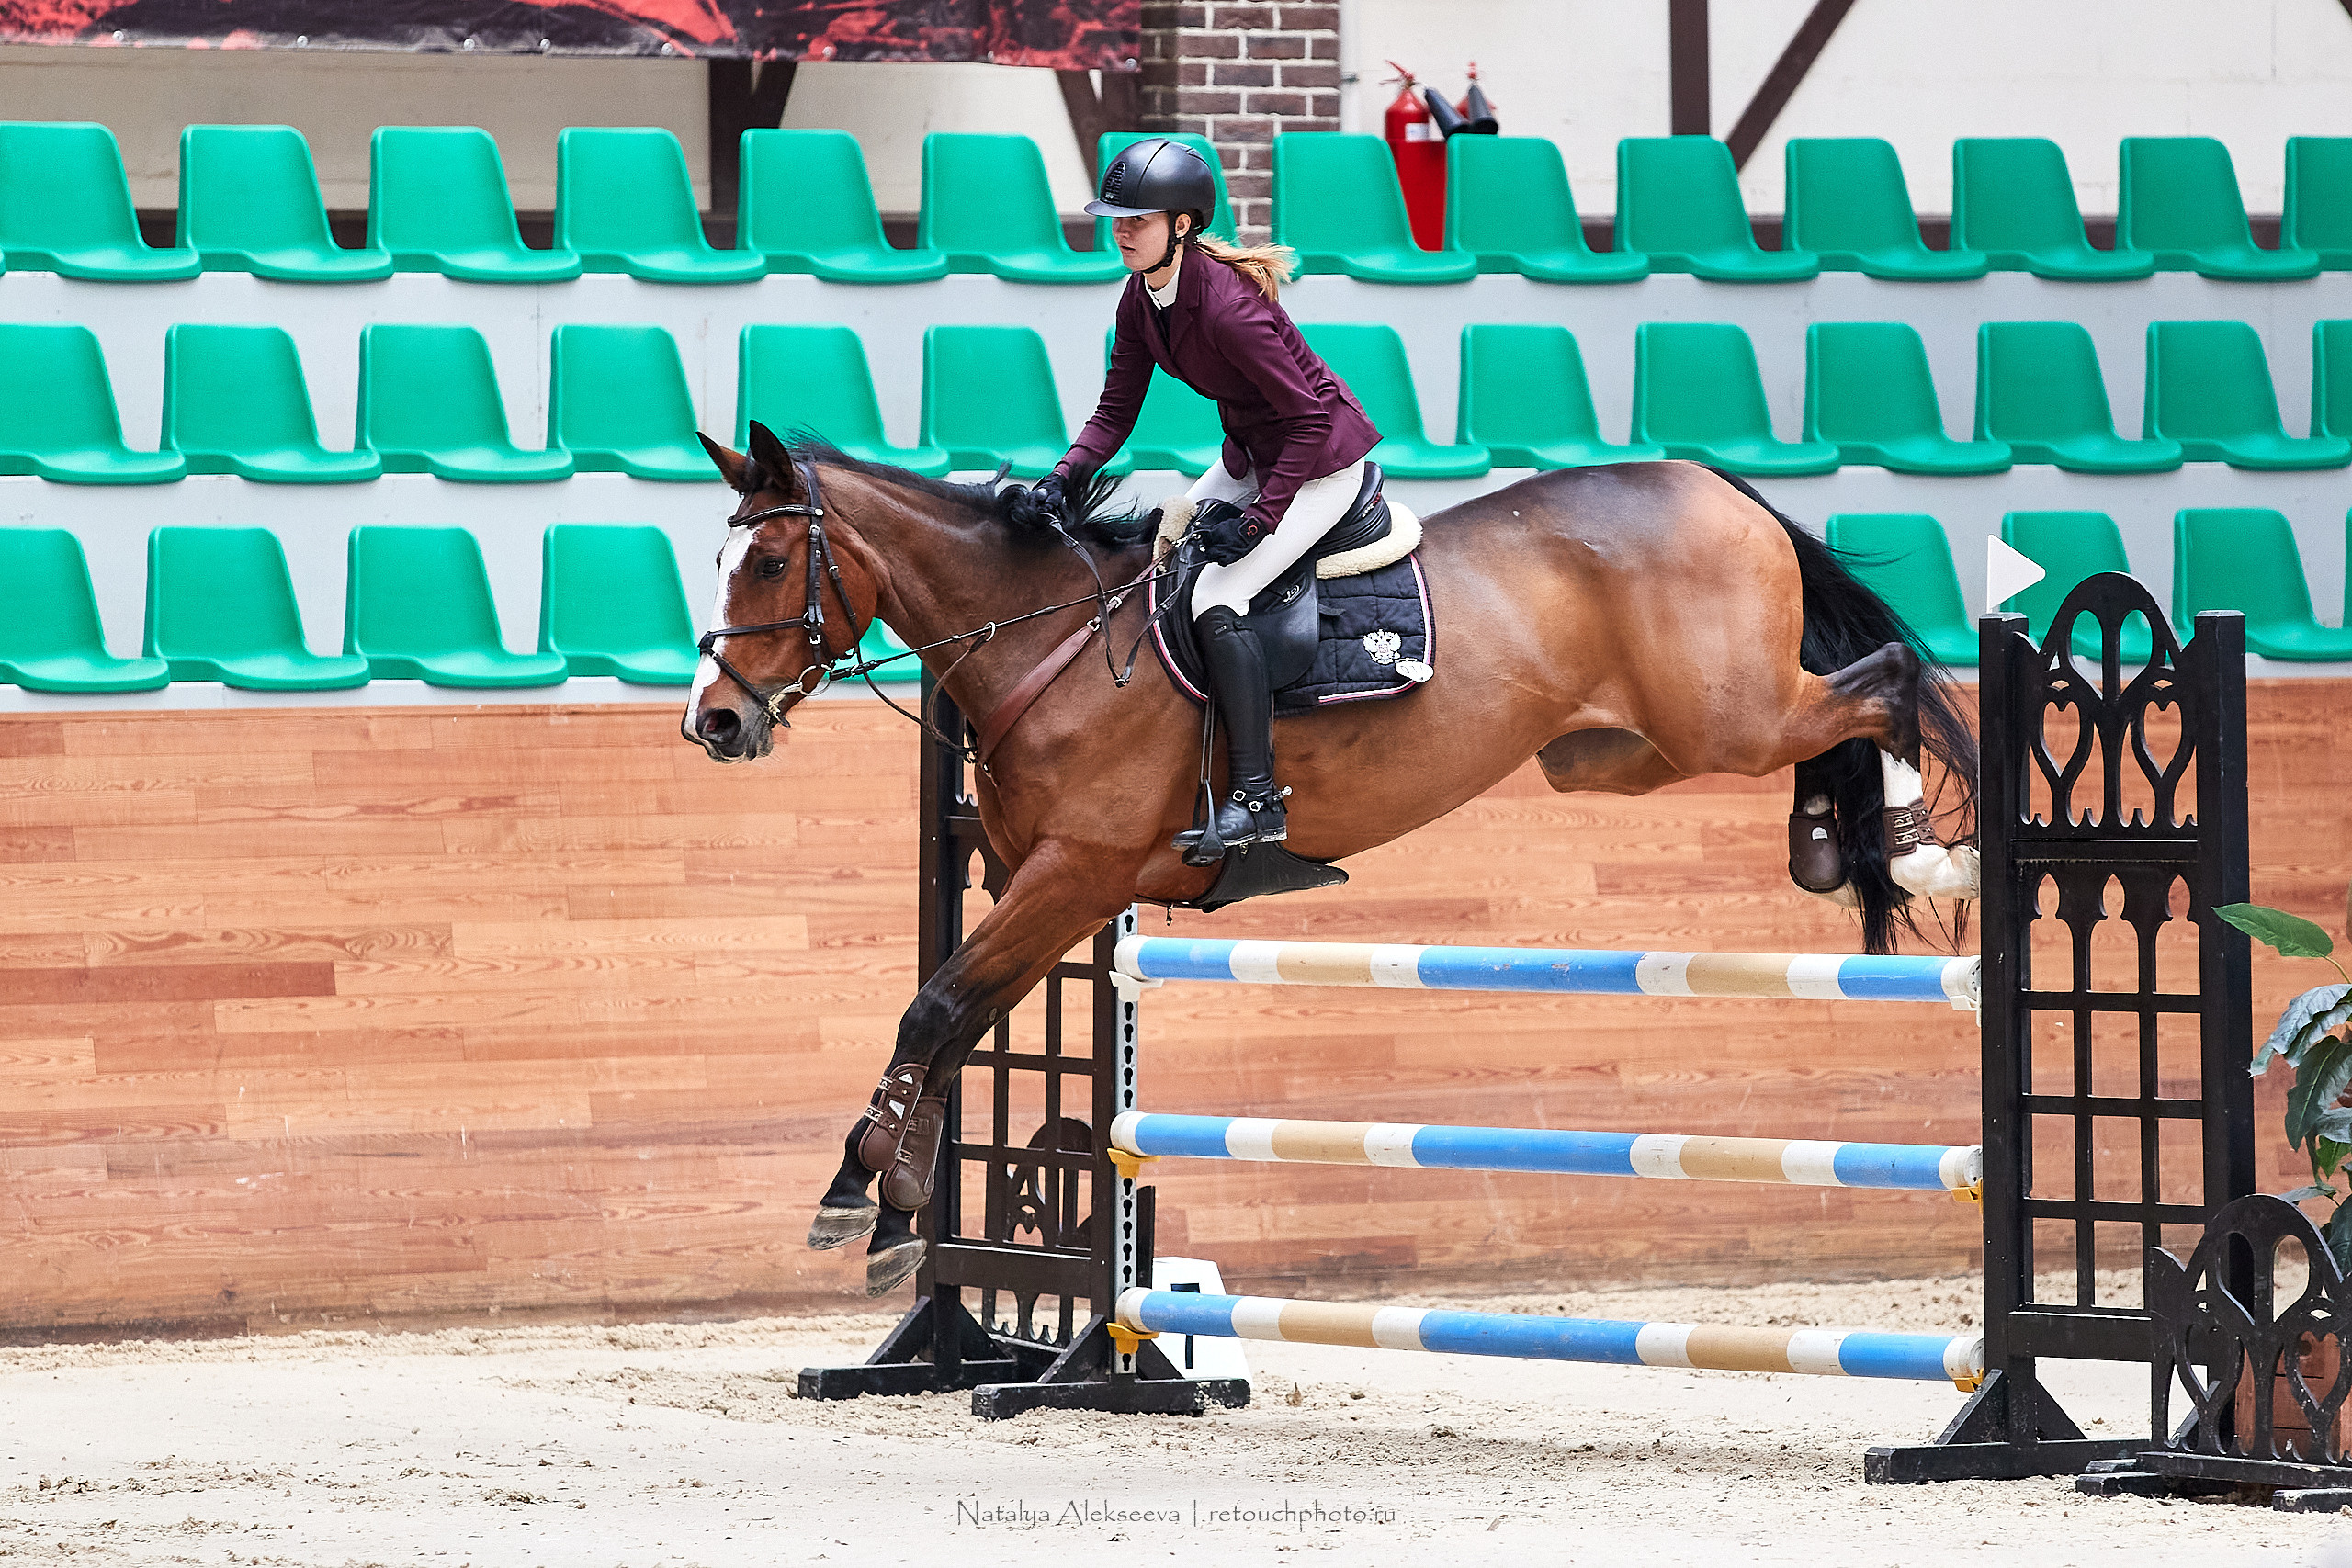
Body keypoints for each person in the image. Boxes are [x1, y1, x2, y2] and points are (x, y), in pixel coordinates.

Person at [1007, 137, 1382, 851]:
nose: (1120, 229)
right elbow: (1115, 411)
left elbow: (1305, 419)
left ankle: (1257, 798)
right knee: (1163, 559)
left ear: (1182, 225)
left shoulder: (1229, 311)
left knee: (1218, 596)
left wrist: (1257, 524)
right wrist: (1062, 478)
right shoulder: (1140, 299)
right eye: (1115, 217)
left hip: (1319, 464)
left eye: (1137, 219)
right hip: (1253, 453)